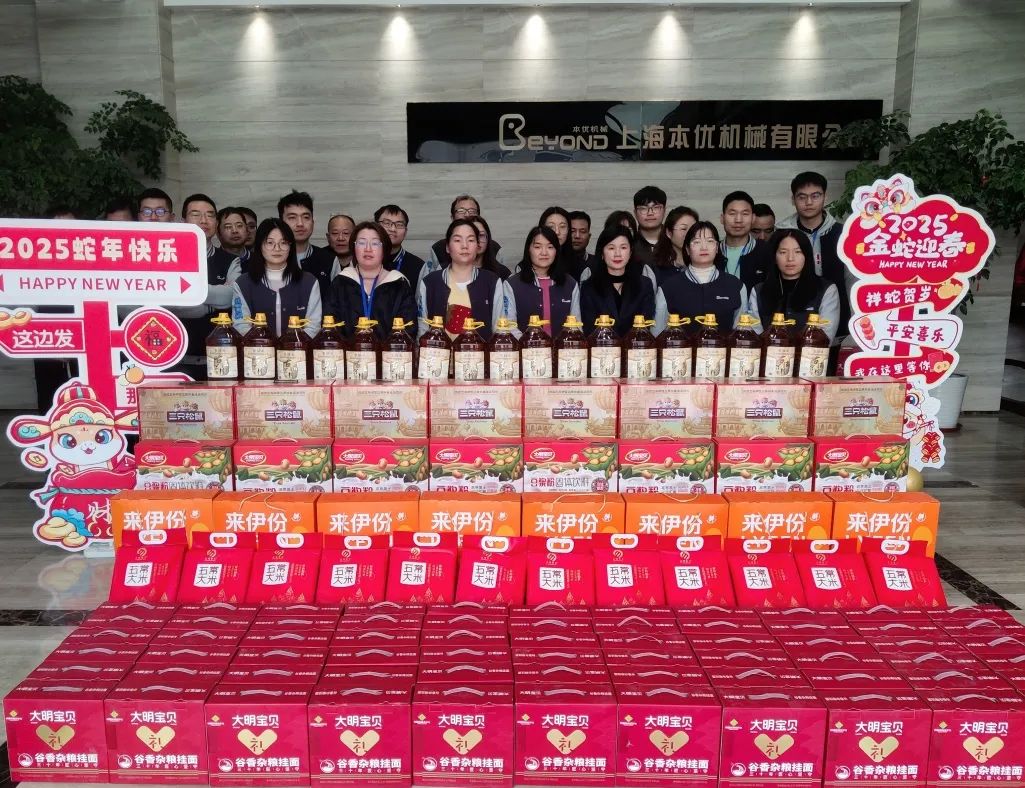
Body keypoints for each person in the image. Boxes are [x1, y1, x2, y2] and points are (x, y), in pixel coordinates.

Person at [775, 171, 851, 341]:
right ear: (793, 199)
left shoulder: (843, 235)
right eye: (802, 197)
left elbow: (850, 281)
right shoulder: (781, 234)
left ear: (825, 196)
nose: (808, 202)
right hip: (789, 320)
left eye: (815, 196)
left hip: (836, 322)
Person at [176, 193, 243, 379]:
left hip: (220, 360)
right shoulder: (169, 257)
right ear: (183, 221)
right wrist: (213, 304)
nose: (204, 220)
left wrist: (188, 296)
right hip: (175, 359)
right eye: (196, 214)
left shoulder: (230, 260)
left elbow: (230, 296)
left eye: (210, 215)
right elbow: (169, 304)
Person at [417, 219, 510, 341]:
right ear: (447, 247)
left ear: (477, 246)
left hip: (480, 352)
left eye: (471, 240)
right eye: (457, 240)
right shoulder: (430, 282)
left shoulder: (492, 282)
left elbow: (499, 329)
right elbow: (422, 328)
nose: (464, 246)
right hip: (438, 352)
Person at [326, 221, 416, 341]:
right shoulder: (341, 282)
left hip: (389, 352)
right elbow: (330, 327)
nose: (368, 249)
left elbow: (409, 328)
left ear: (384, 249)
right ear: (354, 247)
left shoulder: (399, 283)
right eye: (362, 243)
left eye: (375, 243)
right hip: (349, 352)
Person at [232, 218, 322, 338]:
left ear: (291, 246)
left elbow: (313, 326)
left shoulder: (309, 282)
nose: (277, 248)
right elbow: (241, 325)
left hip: (298, 348)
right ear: (260, 246)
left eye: (283, 243)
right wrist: (264, 345)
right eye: (270, 243)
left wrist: (292, 345)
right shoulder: (243, 283)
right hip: (257, 348)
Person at [655, 221, 748, 334]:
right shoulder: (668, 288)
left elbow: (742, 334)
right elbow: (658, 333)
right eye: (697, 242)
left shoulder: (736, 286)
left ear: (717, 248)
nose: (704, 247)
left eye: (710, 241)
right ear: (687, 249)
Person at [749, 229, 840, 343]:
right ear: (774, 257)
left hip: (811, 353)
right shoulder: (759, 291)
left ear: (806, 255)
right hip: (768, 354)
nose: (790, 258)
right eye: (783, 252)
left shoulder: (826, 289)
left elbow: (825, 338)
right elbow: (754, 337)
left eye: (798, 252)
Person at [579, 225, 655, 337]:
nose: (617, 254)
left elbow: (645, 327)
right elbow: (589, 330)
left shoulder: (644, 285)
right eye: (611, 248)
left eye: (623, 248)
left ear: (630, 252)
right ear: (602, 253)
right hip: (602, 346)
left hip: (636, 346)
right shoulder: (589, 287)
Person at [506, 226, 581, 335]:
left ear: (556, 251)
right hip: (525, 345)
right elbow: (509, 326)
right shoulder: (512, 284)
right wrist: (530, 343)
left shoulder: (570, 284)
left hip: (563, 345)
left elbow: (577, 325)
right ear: (528, 249)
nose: (544, 252)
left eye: (550, 247)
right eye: (538, 247)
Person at [424, 194, 504, 275]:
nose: (467, 215)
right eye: (461, 211)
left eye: (472, 211)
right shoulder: (438, 249)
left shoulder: (494, 248)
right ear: (452, 217)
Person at [278, 190, 335, 297]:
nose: (300, 223)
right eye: (292, 218)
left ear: (313, 222)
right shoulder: (271, 258)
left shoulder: (329, 260)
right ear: (281, 222)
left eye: (306, 217)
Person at [720, 190, 771, 292]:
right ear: (722, 218)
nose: (738, 220)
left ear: (753, 218)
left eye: (745, 214)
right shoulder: (712, 252)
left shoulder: (768, 251)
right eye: (732, 213)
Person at [374, 204, 426, 288]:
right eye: (387, 223)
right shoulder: (364, 259)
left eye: (399, 225)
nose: (393, 229)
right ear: (375, 227)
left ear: (405, 232)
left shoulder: (419, 266)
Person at [652, 206, 699, 287]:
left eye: (693, 228)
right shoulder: (654, 268)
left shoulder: (705, 263)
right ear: (669, 233)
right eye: (683, 229)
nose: (690, 233)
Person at [632, 185, 667, 267]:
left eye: (656, 208)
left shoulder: (674, 240)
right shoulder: (628, 243)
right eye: (643, 208)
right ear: (635, 213)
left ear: (664, 211)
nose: (650, 213)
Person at [568, 210, 598, 280]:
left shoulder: (599, 263)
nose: (577, 236)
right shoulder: (554, 263)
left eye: (582, 231)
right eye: (572, 231)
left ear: (589, 236)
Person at [326, 214, 356, 279]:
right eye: (335, 233)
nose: (341, 238)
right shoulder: (318, 258)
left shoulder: (364, 259)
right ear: (328, 237)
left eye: (346, 233)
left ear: (355, 236)